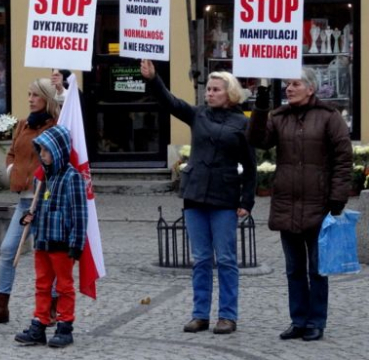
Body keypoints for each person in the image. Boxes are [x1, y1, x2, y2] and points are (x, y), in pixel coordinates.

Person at [140, 59, 256, 335]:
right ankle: (200, 314)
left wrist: (246, 201)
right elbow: (170, 102)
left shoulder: (242, 123)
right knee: (201, 259)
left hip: (225, 197)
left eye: (216, 89)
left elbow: (250, 166)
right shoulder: (198, 115)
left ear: (230, 93)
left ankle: (227, 315)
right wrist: (154, 78)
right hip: (195, 196)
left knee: (226, 259)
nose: (210, 93)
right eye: (208, 89)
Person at [247, 69, 352, 342]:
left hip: (320, 206)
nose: (289, 89)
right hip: (287, 205)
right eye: (287, 84)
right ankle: (298, 320)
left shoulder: (329, 117)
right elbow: (257, 140)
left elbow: (343, 160)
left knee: (317, 269)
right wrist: (261, 102)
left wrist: (337, 199)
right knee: (294, 269)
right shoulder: (279, 116)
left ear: (311, 89)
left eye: (295, 84)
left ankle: (316, 321)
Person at [0, 78, 60, 325]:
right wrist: (12, 170)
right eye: (29, 94)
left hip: (46, 201)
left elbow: (59, 157)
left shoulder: (56, 126)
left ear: (46, 98)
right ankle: (0, 307)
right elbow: (12, 152)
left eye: (35, 95)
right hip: (24, 202)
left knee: (48, 254)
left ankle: (52, 307)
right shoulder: (23, 125)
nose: (30, 99)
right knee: (7, 250)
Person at [14, 125, 87, 348]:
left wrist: (76, 244)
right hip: (43, 242)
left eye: (46, 151)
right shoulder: (42, 180)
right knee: (42, 284)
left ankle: (65, 325)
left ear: (58, 151)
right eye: (41, 151)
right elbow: (39, 210)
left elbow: (79, 213)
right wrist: (29, 217)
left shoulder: (72, 178)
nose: (42, 155)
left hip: (62, 243)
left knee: (64, 286)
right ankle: (40, 322)